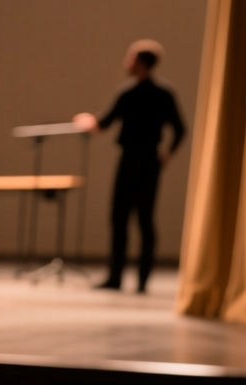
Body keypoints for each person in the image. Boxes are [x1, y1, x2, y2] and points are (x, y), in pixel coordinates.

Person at [75, 39, 186, 293]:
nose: (126, 63)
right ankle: (142, 281)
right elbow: (180, 129)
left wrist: (85, 121)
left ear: (140, 62)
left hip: (131, 161)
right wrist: (167, 154)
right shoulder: (164, 94)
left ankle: (116, 277)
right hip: (150, 162)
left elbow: (102, 124)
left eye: (131, 58)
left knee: (121, 219)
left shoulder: (129, 93)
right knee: (145, 221)